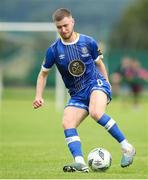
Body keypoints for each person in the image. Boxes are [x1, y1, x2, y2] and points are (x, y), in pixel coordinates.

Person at [33, 8, 135, 172]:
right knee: (67, 123)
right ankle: (80, 162)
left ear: (72, 22)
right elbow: (43, 74)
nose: (63, 30)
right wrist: (39, 96)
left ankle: (127, 147)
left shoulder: (88, 42)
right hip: (77, 94)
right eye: (59, 27)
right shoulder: (53, 50)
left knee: (96, 112)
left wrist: (107, 84)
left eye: (65, 25)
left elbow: (99, 64)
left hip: (96, 84)